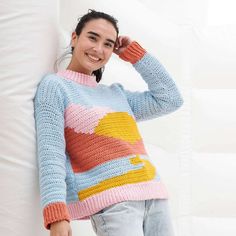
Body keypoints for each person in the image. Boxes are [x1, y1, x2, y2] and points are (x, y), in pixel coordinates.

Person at [34, 9, 184, 236]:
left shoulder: (116, 95)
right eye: (92, 37)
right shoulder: (55, 87)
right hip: (114, 205)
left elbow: (171, 99)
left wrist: (135, 54)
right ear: (74, 37)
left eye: (108, 44)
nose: (98, 49)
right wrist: (57, 214)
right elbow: (51, 153)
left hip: (154, 196)